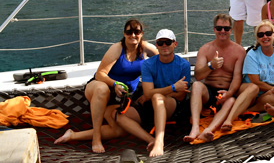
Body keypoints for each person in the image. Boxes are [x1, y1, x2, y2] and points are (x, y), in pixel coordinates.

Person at [61, 19, 157, 153]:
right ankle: (96, 138)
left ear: (141, 33)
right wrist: (115, 84)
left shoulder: (146, 48)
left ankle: (72, 135)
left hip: (121, 99)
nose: (133, 35)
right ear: (124, 33)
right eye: (129, 32)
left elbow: (163, 61)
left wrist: (150, 92)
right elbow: (100, 74)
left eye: (137, 31)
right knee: (102, 89)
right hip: (99, 88)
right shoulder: (117, 48)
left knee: (119, 130)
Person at [116, 29, 191, 157]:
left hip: (171, 106)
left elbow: (181, 95)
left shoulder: (183, 65)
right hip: (151, 105)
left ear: (175, 44)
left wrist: (155, 94)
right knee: (118, 116)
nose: (164, 45)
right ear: (156, 45)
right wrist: (173, 87)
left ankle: (160, 142)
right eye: (160, 43)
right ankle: (151, 140)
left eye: (168, 42)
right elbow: (148, 92)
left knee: (157, 97)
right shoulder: (148, 64)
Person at [219, 20, 274, 131]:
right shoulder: (252, 55)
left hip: (270, 94)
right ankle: (229, 120)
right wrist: (273, 89)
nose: (265, 37)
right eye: (261, 35)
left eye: (268, 33)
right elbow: (255, 82)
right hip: (251, 91)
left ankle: (246, 110)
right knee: (254, 88)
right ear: (257, 38)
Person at [183, 14, 246, 143]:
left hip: (227, 92)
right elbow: (199, 76)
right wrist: (211, 66)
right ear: (214, 30)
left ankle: (208, 130)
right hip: (209, 91)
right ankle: (195, 128)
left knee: (231, 101)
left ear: (231, 30)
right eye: (219, 28)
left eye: (226, 28)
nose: (222, 31)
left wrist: (229, 94)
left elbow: (237, 77)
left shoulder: (239, 51)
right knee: (196, 85)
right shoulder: (205, 49)